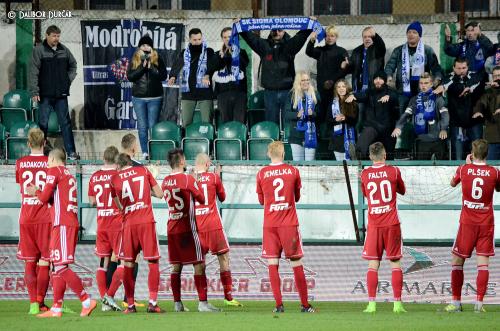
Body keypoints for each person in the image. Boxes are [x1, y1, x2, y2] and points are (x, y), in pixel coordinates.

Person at [26, 148, 97, 318]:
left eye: (48, 161)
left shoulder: (54, 171)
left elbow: (43, 199)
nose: (47, 164)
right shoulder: (68, 175)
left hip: (63, 224)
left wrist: (35, 191)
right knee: (57, 267)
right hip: (64, 223)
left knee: (61, 266)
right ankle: (56, 308)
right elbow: (54, 198)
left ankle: (86, 300)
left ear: (52, 159)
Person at [255, 141, 314, 313]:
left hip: (270, 225)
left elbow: (261, 201)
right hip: (289, 224)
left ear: (268, 154)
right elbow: (296, 198)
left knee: (272, 263)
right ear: (283, 154)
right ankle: (304, 305)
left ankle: (279, 305)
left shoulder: (261, 174)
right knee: (296, 263)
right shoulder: (293, 171)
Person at [444, 139, 500, 313]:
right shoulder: (494, 172)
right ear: (487, 154)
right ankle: (479, 304)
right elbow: (498, 189)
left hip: (468, 223)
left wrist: (467, 164)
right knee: (483, 263)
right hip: (486, 224)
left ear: (472, 153)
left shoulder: (464, 169)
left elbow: (452, 183)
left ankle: (456, 303)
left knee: (457, 261)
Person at [161, 148, 220, 312]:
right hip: (187, 228)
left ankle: (177, 304)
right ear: (181, 162)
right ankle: (203, 303)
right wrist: (194, 180)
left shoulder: (165, 181)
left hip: (172, 229)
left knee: (176, 266)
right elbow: (201, 198)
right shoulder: (188, 179)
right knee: (199, 263)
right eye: (184, 159)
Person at [111, 153, 164, 314]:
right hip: (146, 221)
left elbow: (119, 205)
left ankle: (131, 305)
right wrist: (147, 191)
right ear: (130, 162)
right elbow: (160, 194)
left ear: (119, 166)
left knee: (128, 264)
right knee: (153, 262)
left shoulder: (114, 179)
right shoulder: (144, 171)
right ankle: (152, 303)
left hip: (129, 224)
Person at [360, 142, 406, 314]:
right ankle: (397, 304)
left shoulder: (364, 173)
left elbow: (366, 193)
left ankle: (371, 305)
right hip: (392, 223)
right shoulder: (393, 171)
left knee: (373, 264)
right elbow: (402, 190)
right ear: (385, 155)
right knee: (395, 263)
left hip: (374, 225)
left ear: (371, 157)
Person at [238, 22, 312, 126]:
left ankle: (287, 141)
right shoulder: (264, 46)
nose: (276, 33)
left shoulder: (290, 46)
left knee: (289, 121)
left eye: (280, 30)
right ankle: (274, 142)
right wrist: (240, 26)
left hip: (287, 91)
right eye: (274, 30)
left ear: (284, 31)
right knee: (271, 122)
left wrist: (309, 24)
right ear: (270, 31)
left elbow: (301, 37)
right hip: (270, 92)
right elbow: (251, 38)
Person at [193, 153, 242, 307]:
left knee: (199, 264)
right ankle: (228, 297)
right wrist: (217, 177)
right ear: (208, 164)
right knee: (224, 258)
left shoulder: (189, 179)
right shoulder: (214, 178)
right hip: (213, 224)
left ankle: (203, 302)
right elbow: (222, 197)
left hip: (196, 226)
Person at [15, 128, 52, 314]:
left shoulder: (20, 163)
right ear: (44, 143)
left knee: (30, 262)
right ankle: (41, 301)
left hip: (26, 218)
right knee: (45, 262)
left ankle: (33, 305)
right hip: (45, 217)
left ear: (28, 144)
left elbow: (20, 185)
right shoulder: (50, 163)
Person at [29, 25, 78, 160]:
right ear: (47, 35)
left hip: (61, 95)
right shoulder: (39, 50)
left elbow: (73, 65)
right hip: (44, 95)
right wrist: (35, 91)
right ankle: (39, 152)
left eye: (58, 36)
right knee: (43, 124)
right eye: (54, 36)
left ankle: (72, 153)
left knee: (65, 123)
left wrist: (67, 81)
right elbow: (33, 72)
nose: (56, 39)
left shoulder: (64, 50)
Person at [88, 146, 123, 312]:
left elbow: (92, 201)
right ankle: (109, 296)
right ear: (116, 161)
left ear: (104, 159)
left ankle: (104, 301)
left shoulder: (94, 177)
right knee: (124, 262)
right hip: (117, 224)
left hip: (101, 224)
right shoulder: (118, 176)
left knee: (103, 262)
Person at [385, 21, 442, 115]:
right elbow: (390, 65)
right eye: (409, 32)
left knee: (420, 115)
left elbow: (436, 67)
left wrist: (437, 78)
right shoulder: (399, 50)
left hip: (421, 89)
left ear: (419, 36)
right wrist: (388, 75)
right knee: (403, 115)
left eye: (414, 32)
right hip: (403, 90)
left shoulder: (427, 50)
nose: (411, 35)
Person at [434, 58, 483, 160]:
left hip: (474, 120)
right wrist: (442, 87)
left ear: (468, 67)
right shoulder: (449, 78)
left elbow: (477, 81)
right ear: (453, 68)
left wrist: (469, 87)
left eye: (464, 68)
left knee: (478, 152)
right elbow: (445, 84)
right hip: (456, 122)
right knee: (457, 154)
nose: (461, 70)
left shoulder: (475, 75)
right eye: (458, 68)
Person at [128, 35, 168, 160]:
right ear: (139, 47)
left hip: (155, 98)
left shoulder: (157, 58)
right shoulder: (134, 58)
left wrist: (150, 67)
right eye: (143, 45)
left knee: (153, 125)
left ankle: (154, 152)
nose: (145, 48)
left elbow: (163, 76)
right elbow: (130, 77)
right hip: (139, 98)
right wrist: (142, 67)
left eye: (148, 45)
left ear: (152, 47)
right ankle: (145, 153)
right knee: (142, 126)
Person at [391, 73, 449, 160]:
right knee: (421, 168)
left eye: (426, 83)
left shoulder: (438, 98)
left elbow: (445, 115)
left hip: (438, 139)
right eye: (421, 83)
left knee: (442, 167)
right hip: (422, 140)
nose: (423, 85)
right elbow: (406, 114)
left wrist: (443, 129)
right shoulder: (414, 100)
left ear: (431, 84)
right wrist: (398, 127)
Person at [347, 71, 400, 160]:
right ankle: (358, 156)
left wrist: (389, 97)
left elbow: (395, 98)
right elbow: (362, 95)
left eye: (380, 79)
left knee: (389, 154)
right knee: (366, 135)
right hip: (373, 126)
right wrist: (354, 96)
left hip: (387, 128)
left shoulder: (391, 92)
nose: (378, 81)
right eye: (376, 79)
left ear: (385, 81)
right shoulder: (369, 92)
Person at [168, 28, 215, 128]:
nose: (197, 42)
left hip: (205, 92)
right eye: (194, 40)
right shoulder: (184, 53)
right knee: (186, 124)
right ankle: (185, 142)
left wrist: (207, 74)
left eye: (199, 39)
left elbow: (212, 65)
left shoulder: (209, 51)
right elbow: (177, 64)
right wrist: (172, 76)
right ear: (189, 39)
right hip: (188, 92)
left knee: (207, 123)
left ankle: (208, 143)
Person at [306, 25, 348, 122]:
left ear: (336, 37)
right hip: (322, 89)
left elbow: (344, 70)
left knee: (334, 114)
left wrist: (332, 81)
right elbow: (309, 51)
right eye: (327, 35)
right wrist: (312, 40)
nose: (329, 38)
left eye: (332, 36)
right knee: (321, 114)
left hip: (336, 90)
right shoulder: (320, 51)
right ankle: (321, 136)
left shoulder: (342, 51)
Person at [208, 27, 249, 124]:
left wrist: (235, 53)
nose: (227, 39)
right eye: (225, 37)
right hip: (223, 93)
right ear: (222, 39)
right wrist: (222, 57)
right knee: (226, 123)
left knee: (240, 122)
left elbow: (244, 64)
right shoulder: (217, 54)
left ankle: (240, 139)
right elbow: (212, 68)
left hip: (239, 93)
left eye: (230, 37)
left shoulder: (242, 52)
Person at [285, 71, 319, 161]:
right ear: (298, 82)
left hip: (310, 134)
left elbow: (321, 113)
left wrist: (313, 113)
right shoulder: (291, 95)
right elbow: (286, 114)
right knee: (298, 164)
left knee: (309, 164)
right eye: (303, 80)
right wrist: (297, 114)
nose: (306, 82)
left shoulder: (315, 94)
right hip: (296, 134)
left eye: (307, 80)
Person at [344, 26, 386, 94]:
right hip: (358, 88)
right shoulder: (356, 51)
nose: (367, 39)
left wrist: (375, 35)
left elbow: (381, 45)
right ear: (362, 38)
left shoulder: (378, 50)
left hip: (374, 88)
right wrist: (346, 65)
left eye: (370, 36)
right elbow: (351, 69)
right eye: (365, 37)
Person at [473, 66, 500, 160]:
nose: (497, 78)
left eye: (499, 75)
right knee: (492, 166)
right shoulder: (488, 92)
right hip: (492, 137)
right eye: (495, 76)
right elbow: (481, 103)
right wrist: (478, 111)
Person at [327, 79, 358, 161]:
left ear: (347, 88)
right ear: (336, 89)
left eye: (343, 86)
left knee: (350, 165)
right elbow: (328, 120)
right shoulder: (332, 103)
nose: (341, 89)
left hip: (349, 136)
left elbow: (355, 120)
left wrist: (345, 118)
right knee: (340, 166)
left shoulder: (352, 101)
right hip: (337, 139)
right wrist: (335, 120)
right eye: (339, 87)